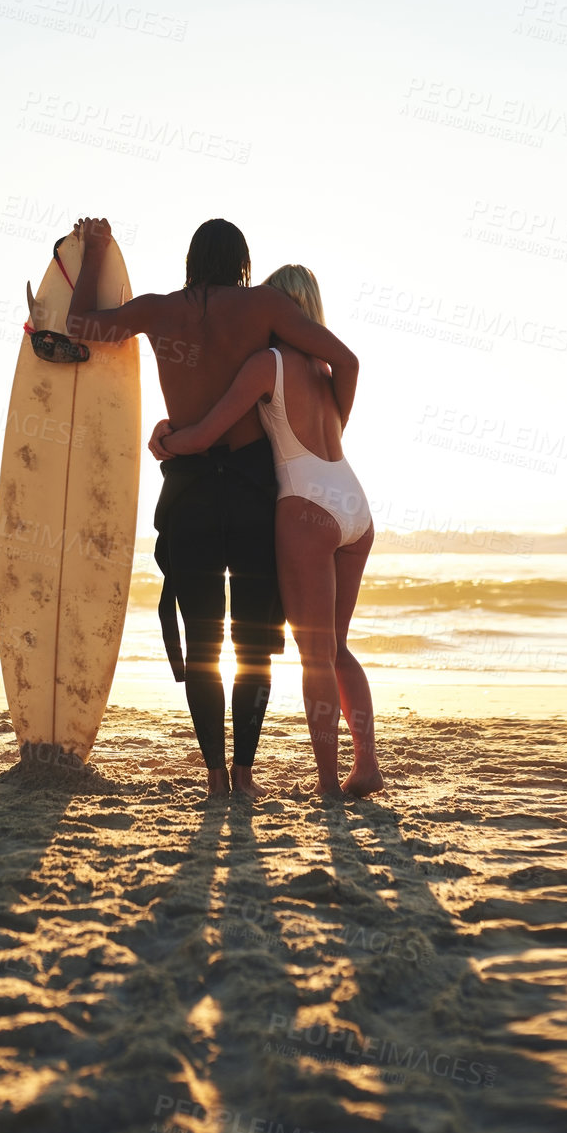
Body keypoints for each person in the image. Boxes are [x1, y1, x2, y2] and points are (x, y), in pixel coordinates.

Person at [67, 218, 360, 798]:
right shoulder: (266, 307)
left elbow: (80, 326)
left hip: (190, 489)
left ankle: (216, 777)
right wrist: (335, 427)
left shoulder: (159, 311)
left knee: (203, 642)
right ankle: (248, 775)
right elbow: (343, 360)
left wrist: (96, 251)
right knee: (255, 641)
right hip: (253, 488)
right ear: (244, 264)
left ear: (192, 262)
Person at [148, 265, 382, 799]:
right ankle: (366, 764)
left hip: (306, 506)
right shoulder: (326, 373)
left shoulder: (265, 364)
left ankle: (326, 783)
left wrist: (167, 440)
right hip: (354, 504)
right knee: (338, 647)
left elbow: (209, 430)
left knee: (315, 654)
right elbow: (334, 426)